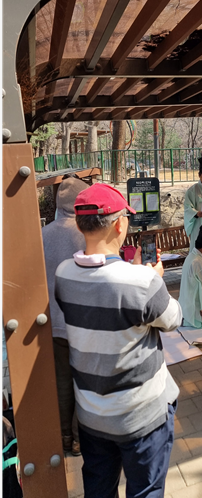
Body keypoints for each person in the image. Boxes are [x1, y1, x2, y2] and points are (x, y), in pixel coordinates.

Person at [55, 183, 182, 498]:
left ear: (80, 225)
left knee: (99, 490)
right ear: (119, 224)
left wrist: (137, 275)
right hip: (140, 417)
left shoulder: (63, 275)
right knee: (145, 491)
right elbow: (173, 319)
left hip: (91, 416)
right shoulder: (142, 282)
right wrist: (152, 277)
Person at [42, 176, 90, 456]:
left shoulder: (43, 235)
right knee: (83, 380)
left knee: (62, 381)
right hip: (82, 322)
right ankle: (80, 439)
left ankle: (63, 437)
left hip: (54, 322)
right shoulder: (87, 233)